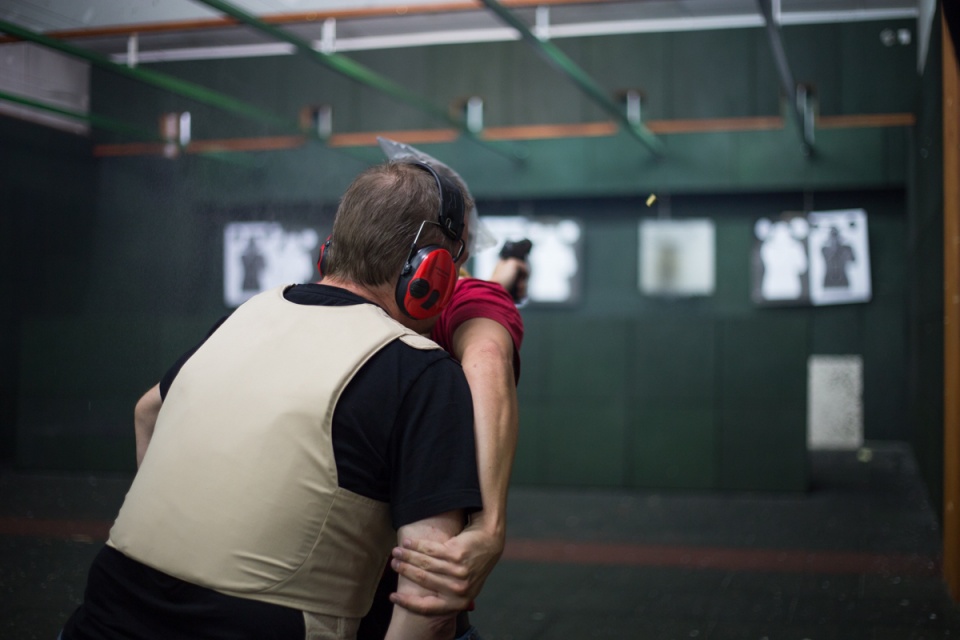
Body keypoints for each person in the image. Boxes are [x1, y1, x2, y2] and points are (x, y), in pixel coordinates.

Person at [60, 160, 483, 640]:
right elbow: (427, 595)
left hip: (103, 615)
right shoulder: (422, 369)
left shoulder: (248, 314)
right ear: (433, 271)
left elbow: (147, 412)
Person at [356, 141, 529, 640]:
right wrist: (490, 525)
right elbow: (489, 358)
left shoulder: (327, 298)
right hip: (413, 557)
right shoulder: (466, 295)